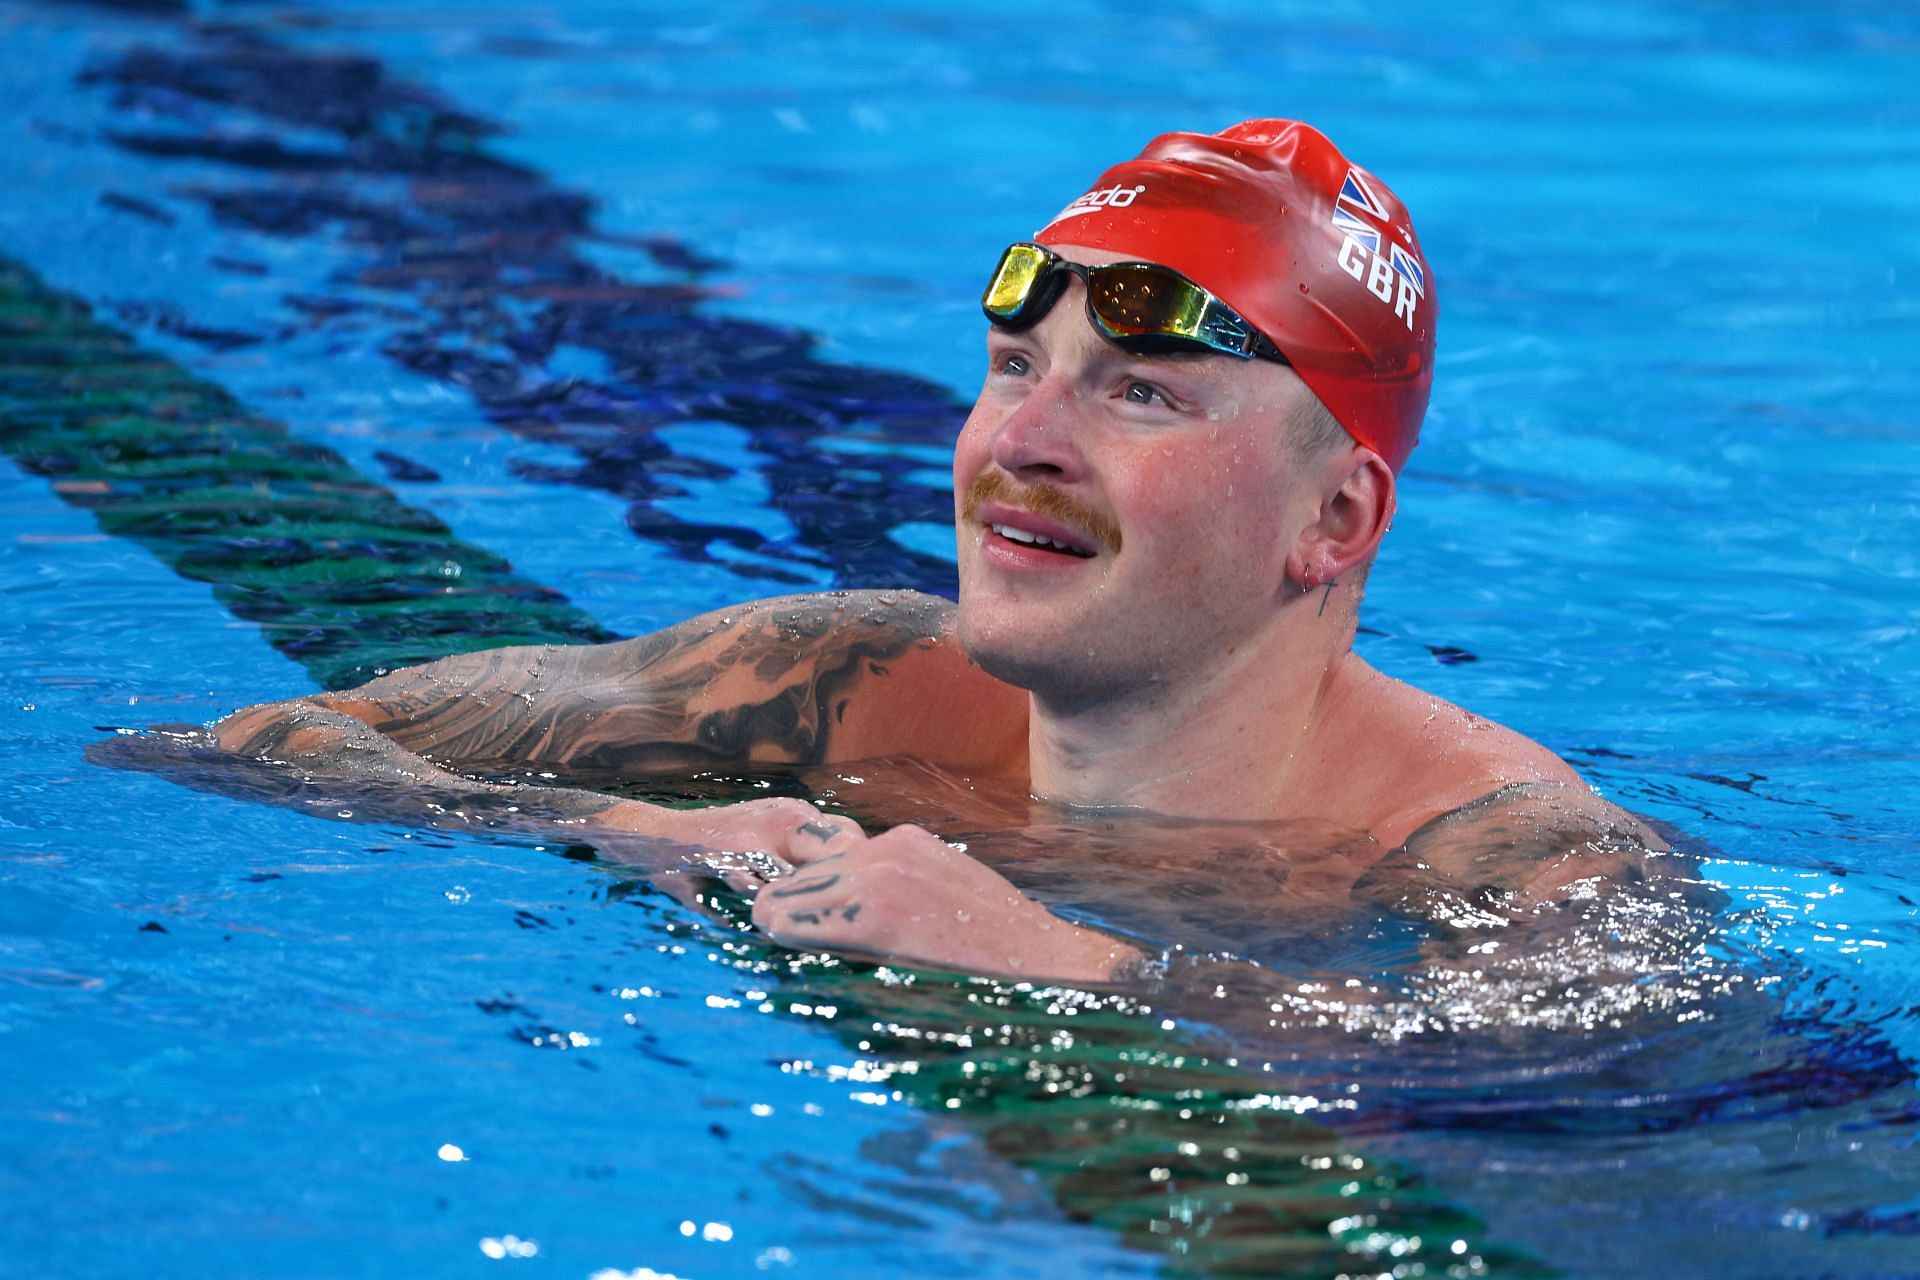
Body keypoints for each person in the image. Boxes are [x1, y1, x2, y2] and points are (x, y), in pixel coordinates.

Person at [201, 120, 1660, 986]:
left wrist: (1074, 967)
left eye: (1141, 391)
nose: (1021, 440)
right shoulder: (845, 680)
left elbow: (1604, 1118)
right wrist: (645, 829)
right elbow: (244, 745)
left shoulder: (1507, 850)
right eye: (1016, 365)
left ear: (1334, 518)